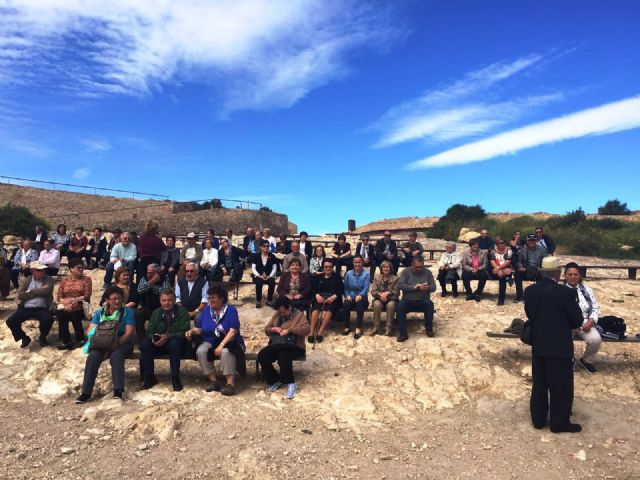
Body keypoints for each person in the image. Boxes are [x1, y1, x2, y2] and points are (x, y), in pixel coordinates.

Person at [525, 257, 583, 433]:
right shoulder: (566, 293)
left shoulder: (530, 291)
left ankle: (538, 420)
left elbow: (530, 314)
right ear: (558, 274)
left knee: (539, 384)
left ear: (542, 272)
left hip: (539, 344)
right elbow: (577, 320)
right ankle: (559, 423)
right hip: (559, 346)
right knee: (561, 387)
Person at [75, 286, 135, 403]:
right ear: (107, 300)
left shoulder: (127, 312)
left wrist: (112, 346)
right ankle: (86, 392)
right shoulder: (99, 313)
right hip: (102, 342)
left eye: (119, 298)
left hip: (121, 342)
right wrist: (103, 344)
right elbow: (90, 332)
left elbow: (128, 333)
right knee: (93, 357)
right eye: (114, 299)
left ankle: (118, 390)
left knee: (116, 355)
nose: (117, 301)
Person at [186, 285, 245, 396]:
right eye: (209, 298)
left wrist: (221, 345)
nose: (210, 300)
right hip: (211, 340)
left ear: (222, 298)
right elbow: (203, 330)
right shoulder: (207, 310)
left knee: (226, 352)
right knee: (201, 350)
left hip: (229, 341)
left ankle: (230, 384)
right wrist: (193, 331)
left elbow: (233, 332)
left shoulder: (231, 310)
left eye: (213, 297)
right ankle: (213, 380)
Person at [258, 297, 310, 399]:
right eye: (279, 312)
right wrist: (274, 329)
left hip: (296, 346)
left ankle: (291, 383)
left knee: (283, 354)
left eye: (283, 312)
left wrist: (290, 330)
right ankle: (275, 379)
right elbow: (266, 329)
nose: (281, 314)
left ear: (289, 308)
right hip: (277, 345)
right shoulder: (277, 314)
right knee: (262, 355)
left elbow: (307, 329)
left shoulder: (299, 315)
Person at [140, 290, 190, 392]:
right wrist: (155, 337)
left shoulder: (182, 312)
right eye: (164, 300)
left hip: (177, 344)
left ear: (174, 300)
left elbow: (184, 331)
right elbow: (149, 331)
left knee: (174, 344)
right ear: (160, 301)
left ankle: (175, 377)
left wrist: (167, 336)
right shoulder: (156, 312)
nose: (166, 303)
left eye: (169, 300)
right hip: (159, 344)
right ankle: (149, 377)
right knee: (145, 344)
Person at [564, 262, 602, 374]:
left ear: (579, 276)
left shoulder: (587, 290)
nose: (573, 277)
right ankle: (568, 359)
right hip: (567, 323)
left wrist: (591, 321)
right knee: (563, 339)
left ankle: (586, 360)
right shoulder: (559, 290)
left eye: (575, 274)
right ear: (565, 276)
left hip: (585, 322)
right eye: (570, 274)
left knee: (596, 340)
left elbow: (595, 308)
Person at [6, 261, 54, 348]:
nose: (43, 271)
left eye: (43, 269)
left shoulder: (49, 279)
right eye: (40, 270)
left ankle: (42, 337)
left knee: (48, 319)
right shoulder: (26, 280)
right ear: (33, 271)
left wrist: (30, 291)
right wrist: (39, 290)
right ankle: (24, 338)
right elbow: (20, 295)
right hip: (26, 308)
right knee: (11, 321)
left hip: (42, 307)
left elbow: (47, 291)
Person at [396, 256, 436, 342]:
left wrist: (427, 287)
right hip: (408, 300)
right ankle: (403, 333)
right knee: (400, 307)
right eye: (417, 267)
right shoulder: (406, 272)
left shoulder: (428, 272)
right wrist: (414, 287)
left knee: (429, 305)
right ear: (412, 264)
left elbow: (434, 287)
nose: (419, 269)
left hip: (423, 300)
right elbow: (400, 285)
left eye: (421, 267)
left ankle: (429, 329)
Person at [55, 258, 91, 350]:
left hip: (80, 304)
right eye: (78, 268)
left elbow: (86, 295)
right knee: (62, 315)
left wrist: (73, 301)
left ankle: (80, 338)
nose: (81, 269)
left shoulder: (86, 279)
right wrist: (66, 303)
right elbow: (59, 296)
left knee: (75, 315)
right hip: (66, 304)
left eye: (82, 268)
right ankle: (66, 341)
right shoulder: (65, 280)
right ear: (71, 269)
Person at [308, 259, 343, 343]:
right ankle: (311, 332)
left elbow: (341, 289)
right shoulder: (318, 277)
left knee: (329, 310)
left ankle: (320, 333)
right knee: (315, 309)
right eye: (326, 267)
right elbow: (312, 289)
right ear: (323, 268)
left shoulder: (337, 277)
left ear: (332, 267)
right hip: (320, 297)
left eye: (330, 267)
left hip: (332, 299)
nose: (328, 268)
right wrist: (317, 295)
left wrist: (334, 297)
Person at [136, 263, 171, 339]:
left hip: (161, 308)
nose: (149, 275)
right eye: (148, 272)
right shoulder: (144, 278)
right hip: (146, 307)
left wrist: (150, 286)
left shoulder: (164, 278)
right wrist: (151, 282)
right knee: (138, 315)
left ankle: (157, 339)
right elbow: (139, 290)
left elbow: (166, 292)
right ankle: (142, 339)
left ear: (157, 273)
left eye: (151, 273)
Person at [341, 256, 370, 339]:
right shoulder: (348, 274)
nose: (357, 264)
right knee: (346, 304)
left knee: (359, 303)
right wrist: (347, 296)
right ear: (353, 263)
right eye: (355, 262)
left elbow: (366, 288)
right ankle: (347, 326)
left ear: (362, 263)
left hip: (362, 298)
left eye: (359, 262)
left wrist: (360, 295)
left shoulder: (366, 274)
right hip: (351, 296)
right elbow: (346, 287)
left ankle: (358, 327)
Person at [514, 234, 547, 302]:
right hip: (526, 270)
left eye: (533, 240)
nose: (531, 242)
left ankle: (540, 295)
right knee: (517, 274)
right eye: (530, 240)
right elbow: (519, 261)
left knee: (543, 275)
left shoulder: (542, 250)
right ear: (527, 241)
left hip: (538, 270)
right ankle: (519, 295)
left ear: (536, 241)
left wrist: (541, 268)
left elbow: (545, 261)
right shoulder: (523, 250)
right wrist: (520, 267)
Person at [370, 260, 399, 336]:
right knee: (376, 304)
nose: (386, 269)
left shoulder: (396, 278)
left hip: (391, 299)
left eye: (388, 267)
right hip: (379, 299)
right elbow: (373, 291)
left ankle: (388, 328)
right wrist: (380, 294)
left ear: (391, 268)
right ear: (381, 268)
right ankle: (376, 327)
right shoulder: (376, 277)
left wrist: (388, 293)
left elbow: (397, 292)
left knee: (391, 305)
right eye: (384, 267)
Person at [251, 240, 277, 308]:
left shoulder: (272, 256)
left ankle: (269, 300)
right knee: (258, 284)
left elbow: (274, 268)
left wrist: (270, 276)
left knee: (272, 283)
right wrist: (258, 275)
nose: (266, 247)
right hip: (259, 276)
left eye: (267, 246)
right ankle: (258, 300)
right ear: (260, 247)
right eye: (264, 246)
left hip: (269, 276)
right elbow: (253, 268)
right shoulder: (256, 256)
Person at [489, 237, 514, 306]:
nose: (500, 244)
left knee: (502, 277)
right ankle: (508, 278)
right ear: (496, 244)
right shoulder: (493, 251)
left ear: (505, 243)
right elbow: (492, 261)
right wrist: (498, 269)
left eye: (502, 242)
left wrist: (499, 269)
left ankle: (501, 300)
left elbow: (507, 262)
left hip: (505, 268)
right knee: (500, 275)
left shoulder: (509, 251)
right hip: (495, 268)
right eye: (498, 243)